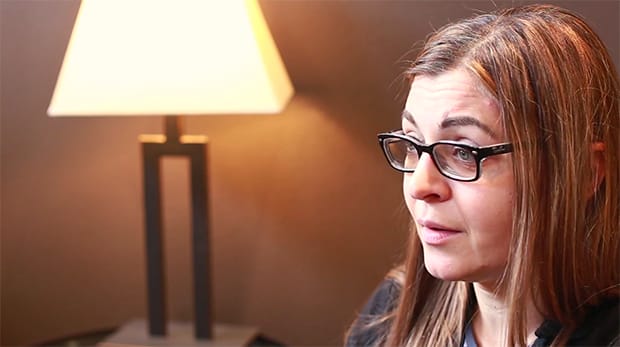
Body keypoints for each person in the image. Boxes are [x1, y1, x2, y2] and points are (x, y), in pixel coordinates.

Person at [346, 4, 619, 347]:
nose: (420, 185)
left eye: (464, 152)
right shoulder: (391, 313)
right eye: (414, 145)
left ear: (582, 175)